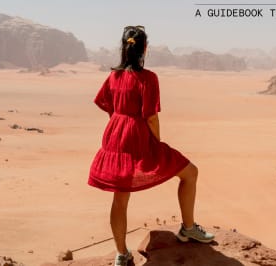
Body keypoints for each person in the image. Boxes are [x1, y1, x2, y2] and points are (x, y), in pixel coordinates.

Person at [88, 25, 214, 266]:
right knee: (190, 172)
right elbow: (151, 117)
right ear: (145, 47)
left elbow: (108, 105)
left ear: (124, 47)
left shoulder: (113, 76)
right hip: (139, 136)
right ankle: (188, 228)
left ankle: (121, 254)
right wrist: (156, 143)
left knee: (120, 197)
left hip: (115, 135)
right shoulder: (148, 78)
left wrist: (119, 126)